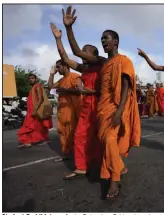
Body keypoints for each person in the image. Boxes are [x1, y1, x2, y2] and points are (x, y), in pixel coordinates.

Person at [50, 22, 103, 179]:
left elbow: (108, 89)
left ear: (94, 55)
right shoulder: (83, 69)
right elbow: (65, 58)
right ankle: (81, 166)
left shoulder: (102, 66)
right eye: (82, 51)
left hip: (100, 107)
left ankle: (110, 165)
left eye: (86, 52)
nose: (82, 54)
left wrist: (91, 91)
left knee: (102, 139)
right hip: (86, 109)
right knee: (80, 137)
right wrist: (58, 39)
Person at [97, 30, 141, 199]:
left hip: (116, 108)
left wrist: (119, 111)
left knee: (109, 140)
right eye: (101, 39)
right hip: (103, 108)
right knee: (108, 143)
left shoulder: (124, 61)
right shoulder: (104, 63)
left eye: (105, 38)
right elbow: (78, 54)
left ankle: (114, 180)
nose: (103, 41)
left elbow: (125, 87)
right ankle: (120, 166)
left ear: (115, 41)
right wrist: (66, 31)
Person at [47, 60, 81, 162]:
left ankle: (80, 156)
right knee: (62, 132)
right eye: (56, 68)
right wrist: (51, 74)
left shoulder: (75, 76)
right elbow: (50, 88)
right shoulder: (61, 80)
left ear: (65, 66)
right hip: (62, 110)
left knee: (73, 132)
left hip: (73, 109)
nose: (57, 69)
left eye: (58, 67)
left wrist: (66, 91)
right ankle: (66, 153)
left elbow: (80, 90)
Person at [17, 74, 53, 148]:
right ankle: (39, 139)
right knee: (36, 126)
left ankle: (28, 141)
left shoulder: (37, 86)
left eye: (32, 78)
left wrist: (35, 109)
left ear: (35, 79)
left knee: (30, 125)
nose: (31, 80)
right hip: (31, 110)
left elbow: (40, 99)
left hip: (34, 110)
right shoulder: (33, 87)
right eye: (29, 78)